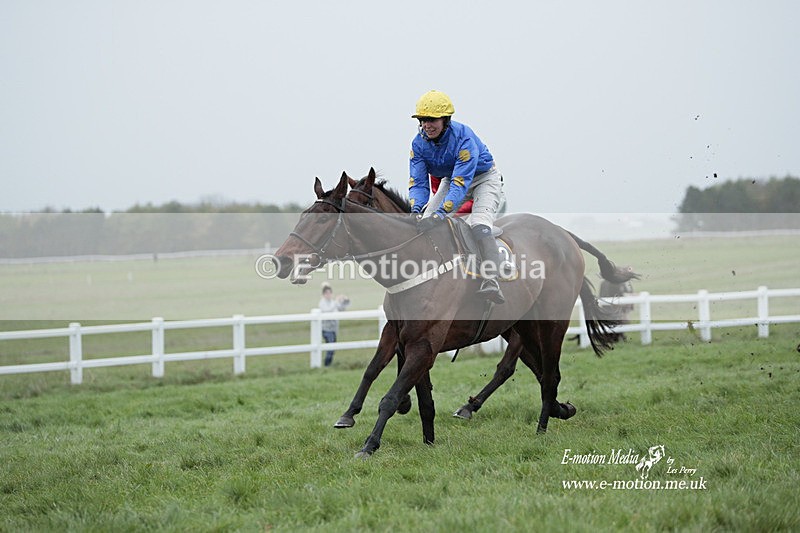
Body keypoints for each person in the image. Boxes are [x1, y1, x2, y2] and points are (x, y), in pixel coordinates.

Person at [408, 89, 507, 304]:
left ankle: (491, 279)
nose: (427, 125)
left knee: (478, 224)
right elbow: (418, 182)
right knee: (424, 221)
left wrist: (441, 214)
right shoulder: (418, 144)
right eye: (423, 120)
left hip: (484, 179)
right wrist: (416, 210)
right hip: (451, 179)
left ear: (446, 120)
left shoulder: (464, 138)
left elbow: (461, 184)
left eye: (432, 120)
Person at [318, 283, 350, 366]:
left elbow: (341, 308)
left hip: (333, 329)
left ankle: (328, 364)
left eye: (330, 293)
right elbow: (327, 311)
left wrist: (345, 300)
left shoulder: (332, 302)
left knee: (332, 348)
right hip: (326, 329)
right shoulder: (322, 303)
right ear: (323, 294)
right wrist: (336, 301)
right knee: (331, 347)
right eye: (327, 293)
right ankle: (327, 364)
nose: (328, 295)